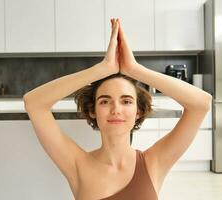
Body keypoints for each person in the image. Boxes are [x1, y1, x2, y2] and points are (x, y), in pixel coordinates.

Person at [23, 18, 212, 200]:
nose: (116, 109)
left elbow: (201, 103)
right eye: (105, 101)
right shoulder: (77, 164)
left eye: (126, 101)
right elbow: (34, 103)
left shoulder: (154, 162)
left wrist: (135, 69)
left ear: (138, 111)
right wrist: (101, 69)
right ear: (92, 110)